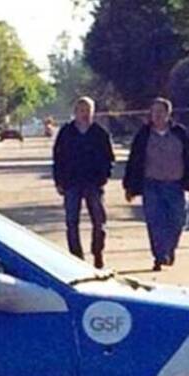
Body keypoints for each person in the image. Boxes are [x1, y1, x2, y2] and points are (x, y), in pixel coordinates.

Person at [123, 97, 189, 272]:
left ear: (168, 114)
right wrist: (129, 186)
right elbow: (133, 160)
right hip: (152, 184)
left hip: (175, 184)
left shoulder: (180, 133)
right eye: (154, 112)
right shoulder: (143, 135)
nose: (156, 115)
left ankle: (169, 249)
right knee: (155, 221)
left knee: (178, 219)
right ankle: (159, 256)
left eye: (160, 112)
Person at [53, 97, 115, 269]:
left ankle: (97, 253)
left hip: (94, 183)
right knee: (72, 222)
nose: (84, 114)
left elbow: (109, 158)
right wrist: (59, 181)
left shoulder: (99, 133)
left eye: (88, 110)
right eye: (81, 110)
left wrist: (104, 177)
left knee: (99, 221)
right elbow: (57, 158)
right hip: (71, 183)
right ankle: (76, 258)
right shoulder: (66, 132)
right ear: (75, 112)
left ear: (93, 112)